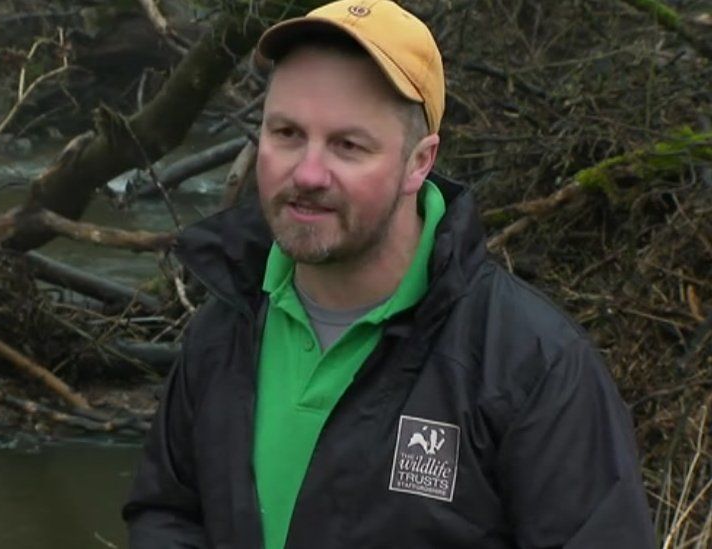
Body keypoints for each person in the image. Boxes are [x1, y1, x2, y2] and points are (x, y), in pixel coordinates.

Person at [122, 1, 656, 547]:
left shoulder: (532, 364)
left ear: (419, 163)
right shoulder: (226, 323)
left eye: (348, 146)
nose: (307, 173)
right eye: (285, 133)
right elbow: (169, 513)